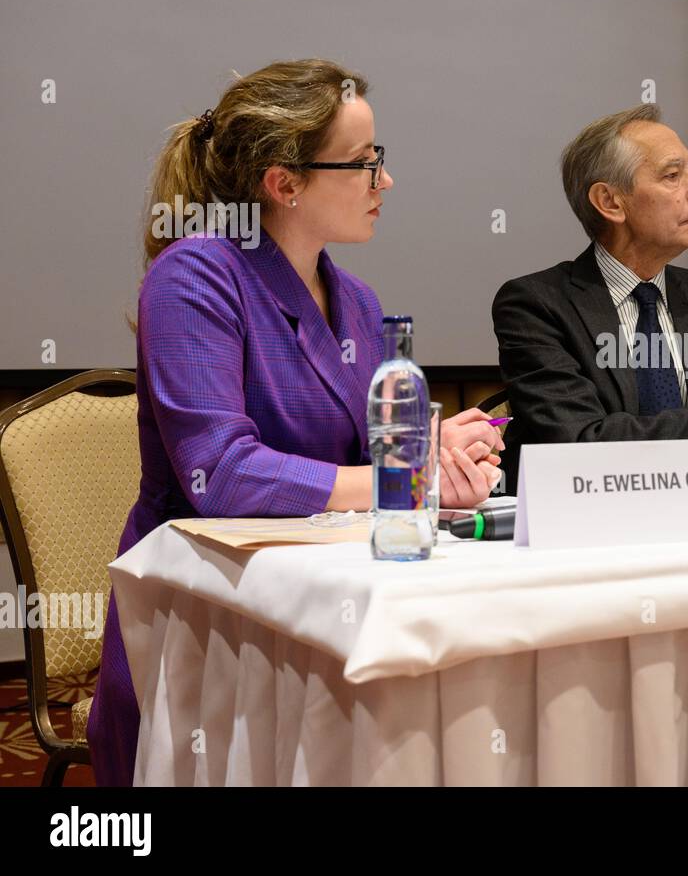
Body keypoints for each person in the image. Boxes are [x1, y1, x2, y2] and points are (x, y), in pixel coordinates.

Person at [88, 60, 504, 786]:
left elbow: (358, 461)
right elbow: (220, 473)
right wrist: (396, 480)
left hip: (324, 602)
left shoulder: (361, 302)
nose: (386, 182)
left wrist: (432, 455)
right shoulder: (193, 277)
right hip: (209, 617)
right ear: (284, 184)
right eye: (366, 163)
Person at [492, 105, 688, 491]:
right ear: (611, 202)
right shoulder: (537, 305)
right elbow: (580, 446)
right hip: (589, 530)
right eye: (672, 175)